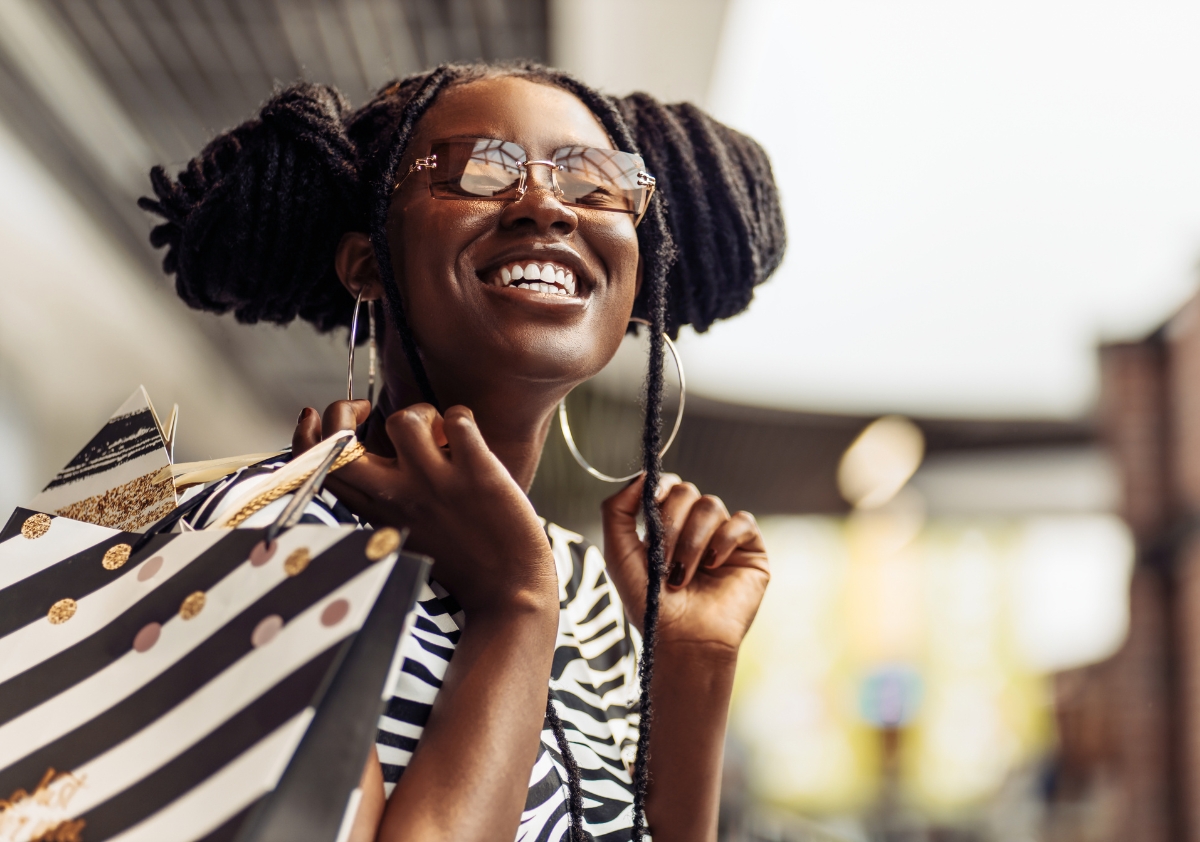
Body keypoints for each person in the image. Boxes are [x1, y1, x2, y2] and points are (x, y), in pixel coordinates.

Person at [139, 61, 785, 842]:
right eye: (479, 171)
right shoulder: (246, 538)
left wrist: (696, 662)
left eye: (596, 182)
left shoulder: (587, 589)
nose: (546, 205)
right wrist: (511, 602)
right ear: (368, 265)